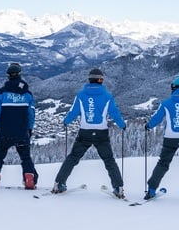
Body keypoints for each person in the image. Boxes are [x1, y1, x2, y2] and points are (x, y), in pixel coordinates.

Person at [52, 68, 127, 198]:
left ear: (89, 80)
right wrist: (122, 125)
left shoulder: (81, 95)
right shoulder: (107, 96)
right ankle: (118, 187)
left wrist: (66, 121)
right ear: (101, 80)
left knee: (73, 158)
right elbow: (114, 113)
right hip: (101, 133)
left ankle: (59, 183)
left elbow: (74, 112)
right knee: (109, 160)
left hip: (85, 133)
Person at [0, 62, 38, 189]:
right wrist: (29, 128)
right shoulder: (27, 94)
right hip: (22, 132)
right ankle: (29, 179)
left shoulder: (1, 93)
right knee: (25, 158)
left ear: (8, 76)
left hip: (4, 131)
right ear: (20, 74)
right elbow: (31, 114)